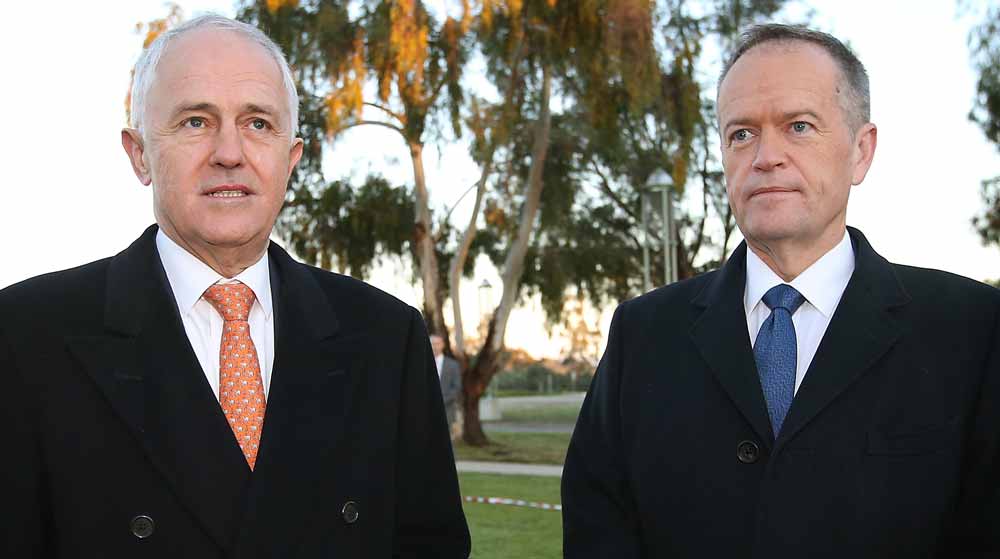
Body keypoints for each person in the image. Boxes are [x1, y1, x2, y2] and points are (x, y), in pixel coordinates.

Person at [0, 15, 469, 558]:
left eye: (258, 123)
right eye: (196, 121)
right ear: (139, 154)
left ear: (291, 159)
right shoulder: (24, 335)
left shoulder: (387, 336)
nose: (229, 152)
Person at [562, 23, 1000, 558]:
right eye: (741, 134)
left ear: (861, 151)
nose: (766, 156)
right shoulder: (642, 334)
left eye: (799, 126)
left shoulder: (973, 330)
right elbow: (598, 526)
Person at [431, 335, 462, 436]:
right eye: (432, 344)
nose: (434, 347)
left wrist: (441, 401)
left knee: (445, 439)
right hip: (426, 411)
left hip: (447, 411)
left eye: (437, 344)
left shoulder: (452, 365)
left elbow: (457, 387)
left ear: (443, 345)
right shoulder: (422, 364)